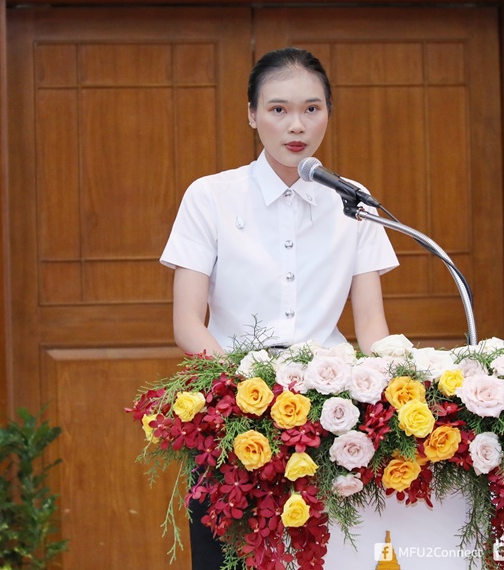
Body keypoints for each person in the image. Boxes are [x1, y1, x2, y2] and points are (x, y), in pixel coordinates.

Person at [159, 47, 399, 569]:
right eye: (278, 109)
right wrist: (244, 392)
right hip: (234, 416)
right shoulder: (211, 197)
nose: (297, 125)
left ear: (328, 113)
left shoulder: (351, 199)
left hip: (333, 417)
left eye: (312, 109)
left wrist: (407, 380)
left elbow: (372, 328)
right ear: (252, 114)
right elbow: (187, 324)